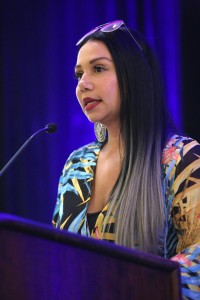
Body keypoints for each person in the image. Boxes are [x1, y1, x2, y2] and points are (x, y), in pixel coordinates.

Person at [52, 20, 200, 299]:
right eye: (78, 74)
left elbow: (197, 267)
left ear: (134, 75)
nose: (82, 84)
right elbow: (56, 263)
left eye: (98, 69)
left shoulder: (182, 159)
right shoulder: (76, 165)